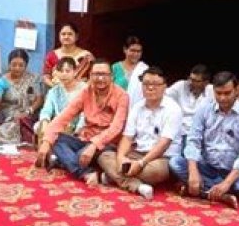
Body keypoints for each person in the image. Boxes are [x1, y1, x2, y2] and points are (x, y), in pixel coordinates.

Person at [169, 71, 239, 209]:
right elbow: (193, 141)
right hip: (206, 167)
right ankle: (221, 195)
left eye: (227, 93)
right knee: (175, 162)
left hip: (232, 172)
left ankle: (202, 190)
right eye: (218, 93)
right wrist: (193, 172)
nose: (222, 98)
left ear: (236, 90)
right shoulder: (204, 110)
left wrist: (227, 183)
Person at [35, 58, 129, 186]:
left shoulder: (122, 96)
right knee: (55, 139)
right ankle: (85, 172)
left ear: (111, 77)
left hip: (107, 143)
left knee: (79, 156)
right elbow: (63, 117)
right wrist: (46, 142)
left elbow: (116, 128)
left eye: (104, 74)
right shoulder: (85, 92)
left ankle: (66, 163)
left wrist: (94, 145)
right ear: (90, 76)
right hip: (85, 139)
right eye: (96, 74)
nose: (100, 78)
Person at [97, 66, 182, 199]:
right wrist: (121, 158)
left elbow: (163, 144)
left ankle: (112, 176)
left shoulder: (173, 109)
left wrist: (141, 163)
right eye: (146, 84)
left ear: (165, 86)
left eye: (155, 84)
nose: (150, 88)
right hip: (136, 153)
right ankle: (136, 185)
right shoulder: (137, 107)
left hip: (161, 158)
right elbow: (127, 137)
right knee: (104, 156)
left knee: (155, 172)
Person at [0, 49, 43, 145]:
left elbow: (39, 99)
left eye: (21, 65)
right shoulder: (2, 82)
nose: (17, 68)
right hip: (10, 117)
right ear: (9, 65)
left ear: (26, 66)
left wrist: (28, 111)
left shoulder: (34, 79)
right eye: (14, 65)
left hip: (29, 116)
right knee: (2, 131)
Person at [32, 56, 87, 145]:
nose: (63, 74)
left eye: (67, 71)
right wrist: (45, 122)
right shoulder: (54, 91)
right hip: (59, 125)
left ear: (75, 72)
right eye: (61, 71)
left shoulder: (84, 89)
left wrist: (78, 130)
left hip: (78, 127)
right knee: (38, 126)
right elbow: (46, 110)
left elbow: (85, 113)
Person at [165, 64, 214, 143]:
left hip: (202, 133)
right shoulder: (181, 85)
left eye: (196, 81)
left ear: (206, 82)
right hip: (181, 131)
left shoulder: (212, 91)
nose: (191, 82)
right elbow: (162, 96)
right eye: (190, 79)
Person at [41, 22, 94, 88]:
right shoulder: (51, 56)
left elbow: (93, 76)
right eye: (63, 34)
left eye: (70, 34)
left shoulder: (87, 56)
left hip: (81, 92)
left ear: (76, 36)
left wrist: (82, 89)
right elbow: (46, 76)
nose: (66, 37)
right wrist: (56, 88)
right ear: (59, 36)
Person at [111, 35, 148, 107]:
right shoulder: (115, 68)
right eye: (132, 50)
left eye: (138, 51)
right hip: (117, 108)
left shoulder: (145, 69)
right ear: (125, 49)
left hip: (137, 109)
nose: (135, 54)